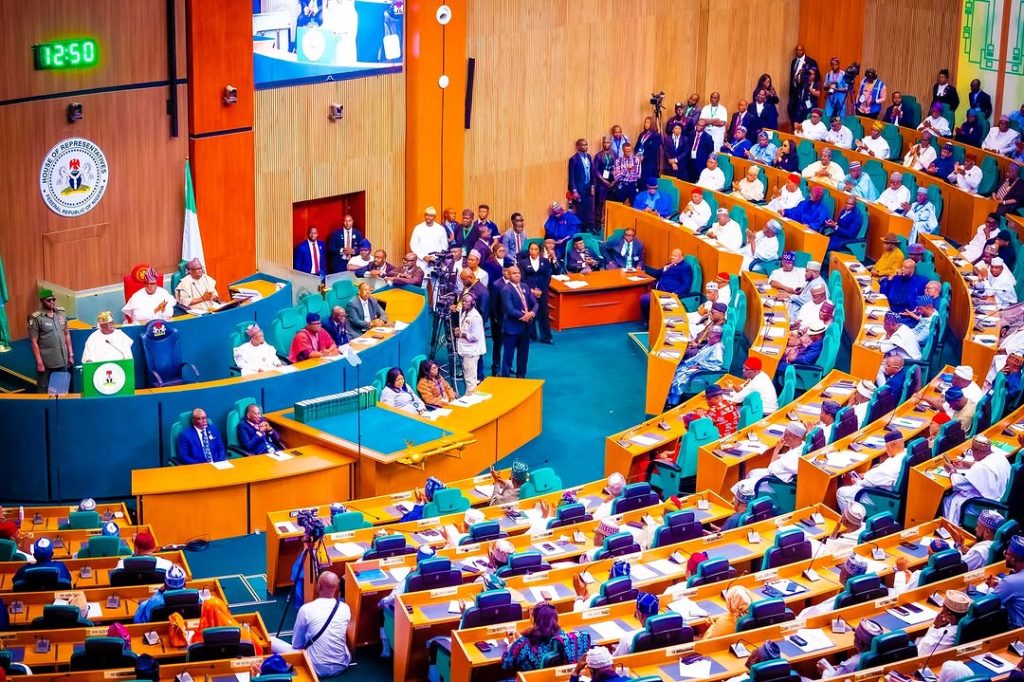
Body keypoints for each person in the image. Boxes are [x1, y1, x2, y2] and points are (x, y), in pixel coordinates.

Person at [270, 572, 351, 677]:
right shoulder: (345, 608)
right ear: (337, 588)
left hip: (313, 668)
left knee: (270, 640)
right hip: (341, 665)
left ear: (319, 586)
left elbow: (297, 644)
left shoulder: (306, 609)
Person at [502, 602, 589, 673]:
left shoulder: (523, 643)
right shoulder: (563, 639)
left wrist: (512, 644)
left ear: (533, 619)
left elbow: (506, 664)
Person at [835, 430, 907, 511]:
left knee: (841, 492)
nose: (886, 450)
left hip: (883, 498)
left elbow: (866, 483)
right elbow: (877, 474)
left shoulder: (889, 467)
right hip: (898, 495)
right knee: (875, 466)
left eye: (886, 447)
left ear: (892, 445)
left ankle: (850, 520)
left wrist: (857, 481)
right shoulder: (906, 454)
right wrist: (865, 475)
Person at [943, 434, 1010, 521]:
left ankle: (951, 529)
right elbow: (986, 465)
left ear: (977, 451)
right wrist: (964, 464)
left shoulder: (981, 467)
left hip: (986, 505)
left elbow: (958, 483)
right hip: (1001, 498)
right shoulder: (1000, 457)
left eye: (972, 451)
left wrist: (951, 470)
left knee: (949, 500)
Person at [730, 420, 806, 496]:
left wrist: (777, 450)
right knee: (752, 473)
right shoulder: (801, 445)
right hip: (775, 477)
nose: (784, 437)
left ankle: (741, 504)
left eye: (786, 435)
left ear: (795, 438)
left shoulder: (791, 459)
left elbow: (770, 467)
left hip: (775, 485)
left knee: (741, 486)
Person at [665, 325, 725, 407]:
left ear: (717, 337)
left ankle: (673, 403)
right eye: (709, 334)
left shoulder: (718, 347)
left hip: (703, 372)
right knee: (675, 370)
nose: (708, 338)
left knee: (680, 378)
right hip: (695, 365)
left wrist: (698, 367)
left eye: (711, 335)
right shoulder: (710, 344)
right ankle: (669, 398)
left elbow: (715, 365)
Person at [801, 554, 869, 618]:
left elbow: (809, 617)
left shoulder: (842, 598)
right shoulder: (867, 592)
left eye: (842, 569)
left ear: (845, 577)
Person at [501, 265, 539, 378]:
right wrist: (525, 315)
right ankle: (505, 377)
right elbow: (510, 309)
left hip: (525, 327)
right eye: (514, 273)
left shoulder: (525, 286)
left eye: (518, 273)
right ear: (508, 275)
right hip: (512, 328)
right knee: (508, 355)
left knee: (523, 353)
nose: (517, 275)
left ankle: (521, 376)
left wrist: (532, 313)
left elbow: (535, 303)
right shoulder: (506, 290)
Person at [640, 249, 693, 321]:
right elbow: (656, 274)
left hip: (670, 292)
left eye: (675, 256)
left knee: (646, 299)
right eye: (672, 255)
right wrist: (665, 268)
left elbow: (686, 284)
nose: (673, 257)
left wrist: (676, 293)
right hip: (658, 290)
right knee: (644, 298)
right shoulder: (670, 264)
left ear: (682, 258)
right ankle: (648, 321)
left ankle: (651, 322)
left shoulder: (685, 267)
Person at [519, 242, 553, 344]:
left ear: (539, 250)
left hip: (542, 291)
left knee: (544, 314)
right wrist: (531, 291)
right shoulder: (523, 262)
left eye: (535, 249)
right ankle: (531, 336)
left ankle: (546, 337)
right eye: (531, 249)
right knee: (531, 313)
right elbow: (522, 279)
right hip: (529, 292)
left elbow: (548, 277)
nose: (533, 251)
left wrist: (541, 291)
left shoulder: (545, 261)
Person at [988, 535, 1024, 626]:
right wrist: (1001, 586)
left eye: (1006, 554)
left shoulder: (1009, 582)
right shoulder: (1010, 582)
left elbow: (987, 606)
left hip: (1016, 632)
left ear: (1013, 560)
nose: (1005, 556)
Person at [610, 591, 659, 656]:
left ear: (639, 614)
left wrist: (617, 650)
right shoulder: (669, 630)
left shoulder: (628, 638)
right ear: (658, 611)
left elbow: (619, 661)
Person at [455, 292, 486, 393]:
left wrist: (461, 334)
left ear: (473, 303)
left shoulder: (475, 317)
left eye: (467, 302)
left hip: (471, 352)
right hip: (466, 350)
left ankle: (470, 400)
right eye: (463, 301)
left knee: (470, 380)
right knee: (469, 377)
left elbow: (475, 337)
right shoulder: (464, 312)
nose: (464, 303)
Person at [410, 207, 449, 273]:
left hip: (436, 261)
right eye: (427, 215)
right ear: (424, 215)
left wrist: (435, 258)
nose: (429, 217)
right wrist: (424, 257)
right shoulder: (418, 228)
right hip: (421, 261)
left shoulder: (440, 229)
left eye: (431, 216)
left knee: (435, 282)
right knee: (421, 281)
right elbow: (413, 245)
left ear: (435, 217)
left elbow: (445, 245)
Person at [567, 138, 595, 231]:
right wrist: (574, 190)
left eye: (586, 144)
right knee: (580, 210)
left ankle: (587, 226)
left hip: (588, 187)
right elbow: (572, 176)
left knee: (588, 209)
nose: (585, 147)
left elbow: (592, 172)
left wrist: (592, 186)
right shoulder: (574, 159)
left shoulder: (589, 157)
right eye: (583, 145)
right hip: (579, 188)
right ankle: (580, 228)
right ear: (578, 147)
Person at [788, 45, 818, 123]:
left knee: (804, 113)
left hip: (806, 89)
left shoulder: (811, 62)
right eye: (797, 50)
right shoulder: (794, 61)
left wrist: (810, 84)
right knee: (791, 109)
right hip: (795, 90)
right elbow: (792, 76)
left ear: (803, 50)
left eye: (800, 50)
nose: (799, 52)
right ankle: (794, 129)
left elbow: (817, 75)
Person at [593, 137, 617, 229]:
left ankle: (610, 224)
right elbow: (595, 170)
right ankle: (598, 225)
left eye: (608, 142)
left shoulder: (614, 154)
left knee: (612, 204)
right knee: (599, 205)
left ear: (611, 143)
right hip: (601, 184)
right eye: (604, 143)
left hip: (612, 183)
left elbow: (617, 168)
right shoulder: (598, 156)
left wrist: (614, 181)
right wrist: (603, 180)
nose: (606, 144)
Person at [635, 116, 662, 182]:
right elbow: (637, 146)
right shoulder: (642, 134)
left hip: (649, 162)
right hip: (639, 161)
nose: (646, 124)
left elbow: (654, 149)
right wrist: (637, 154)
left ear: (652, 124)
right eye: (645, 122)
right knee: (640, 180)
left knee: (647, 180)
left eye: (648, 122)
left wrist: (643, 156)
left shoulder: (656, 135)